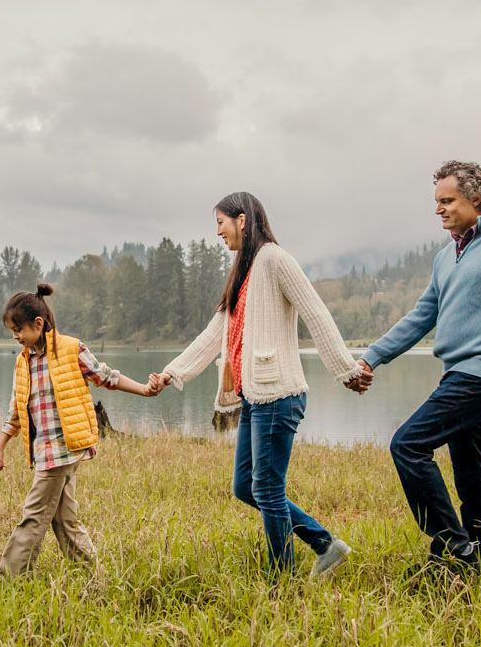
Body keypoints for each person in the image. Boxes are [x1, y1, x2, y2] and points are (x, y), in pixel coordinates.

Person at [348, 160, 481, 578]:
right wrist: (371, 356)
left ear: (476, 198)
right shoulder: (447, 256)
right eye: (437, 201)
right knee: (473, 478)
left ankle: (454, 545)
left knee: (408, 445)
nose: (439, 209)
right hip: (457, 373)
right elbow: (422, 316)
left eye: (447, 200)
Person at [149, 192, 363, 579]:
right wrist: (171, 372)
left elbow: (316, 312)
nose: (218, 232)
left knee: (265, 489)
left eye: (220, 223)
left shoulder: (275, 260)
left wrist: (345, 369)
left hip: (279, 396)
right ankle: (326, 545)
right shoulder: (243, 270)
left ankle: (282, 579)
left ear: (242, 220)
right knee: (246, 488)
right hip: (255, 398)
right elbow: (216, 332)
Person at [0, 284, 156, 577]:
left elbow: (106, 376)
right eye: (12, 331)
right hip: (43, 451)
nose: (16, 336)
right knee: (64, 519)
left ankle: (9, 578)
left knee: (34, 514)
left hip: (65, 448)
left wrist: (144, 389)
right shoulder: (22, 362)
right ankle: (92, 575)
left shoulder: (70, 349)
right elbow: (15, 410)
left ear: (38, 324)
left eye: (19, 330)